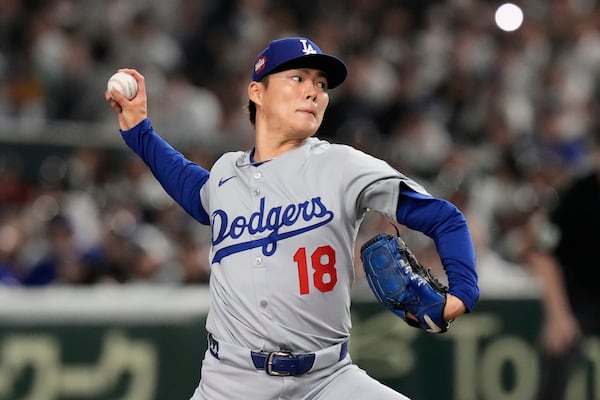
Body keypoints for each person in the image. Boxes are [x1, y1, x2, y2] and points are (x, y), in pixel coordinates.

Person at [105, 37, 480, 400]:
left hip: (328, 379)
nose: (313, 91)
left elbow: (444, 219)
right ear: (258, 93)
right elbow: (191, 187)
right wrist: (140, 131)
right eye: (297, 78)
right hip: (230, 382)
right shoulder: (224, 176)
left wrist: (462, 294)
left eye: (320, 84)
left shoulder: (343, 165)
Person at [528, 130, 600, 400]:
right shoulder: (575, 195)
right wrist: (558, 315)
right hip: (576, 298)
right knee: (556, 358)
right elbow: (544, 255)